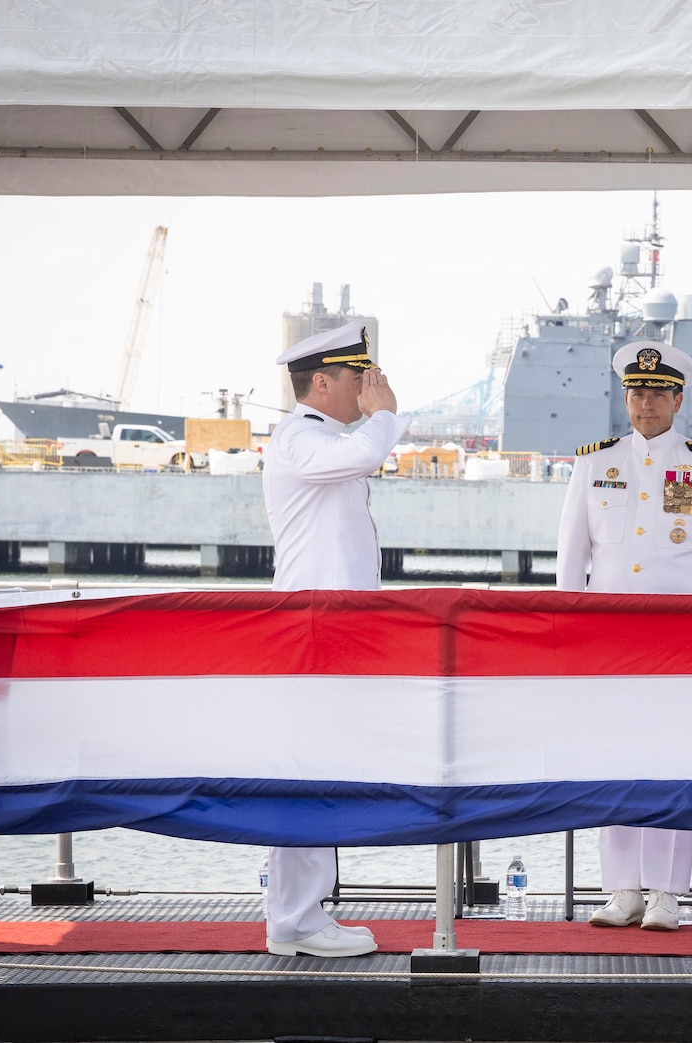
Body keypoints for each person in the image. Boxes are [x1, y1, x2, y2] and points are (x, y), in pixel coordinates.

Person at [557, 339, 692, 931]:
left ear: (678, 398)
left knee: (674, 760)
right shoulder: (595, 463)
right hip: (611, 639)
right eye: (637, 393)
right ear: (626, 397)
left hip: (683, 640)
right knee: (614, 758)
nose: (645, 404)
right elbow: (572, 555)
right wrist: (569, 630)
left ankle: (667, 893)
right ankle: (622, 890)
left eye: (657, 393)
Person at [261, 318, 407, 957]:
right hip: (312, 627)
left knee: (322, 768)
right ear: (322, 381)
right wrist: (385, 415)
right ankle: (295, 919)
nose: (369, 386)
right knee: (308, 770)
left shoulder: (318, 438)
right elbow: (363, 452)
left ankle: (302, 912)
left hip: (334, 626)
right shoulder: (299, 438)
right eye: (358, 376)